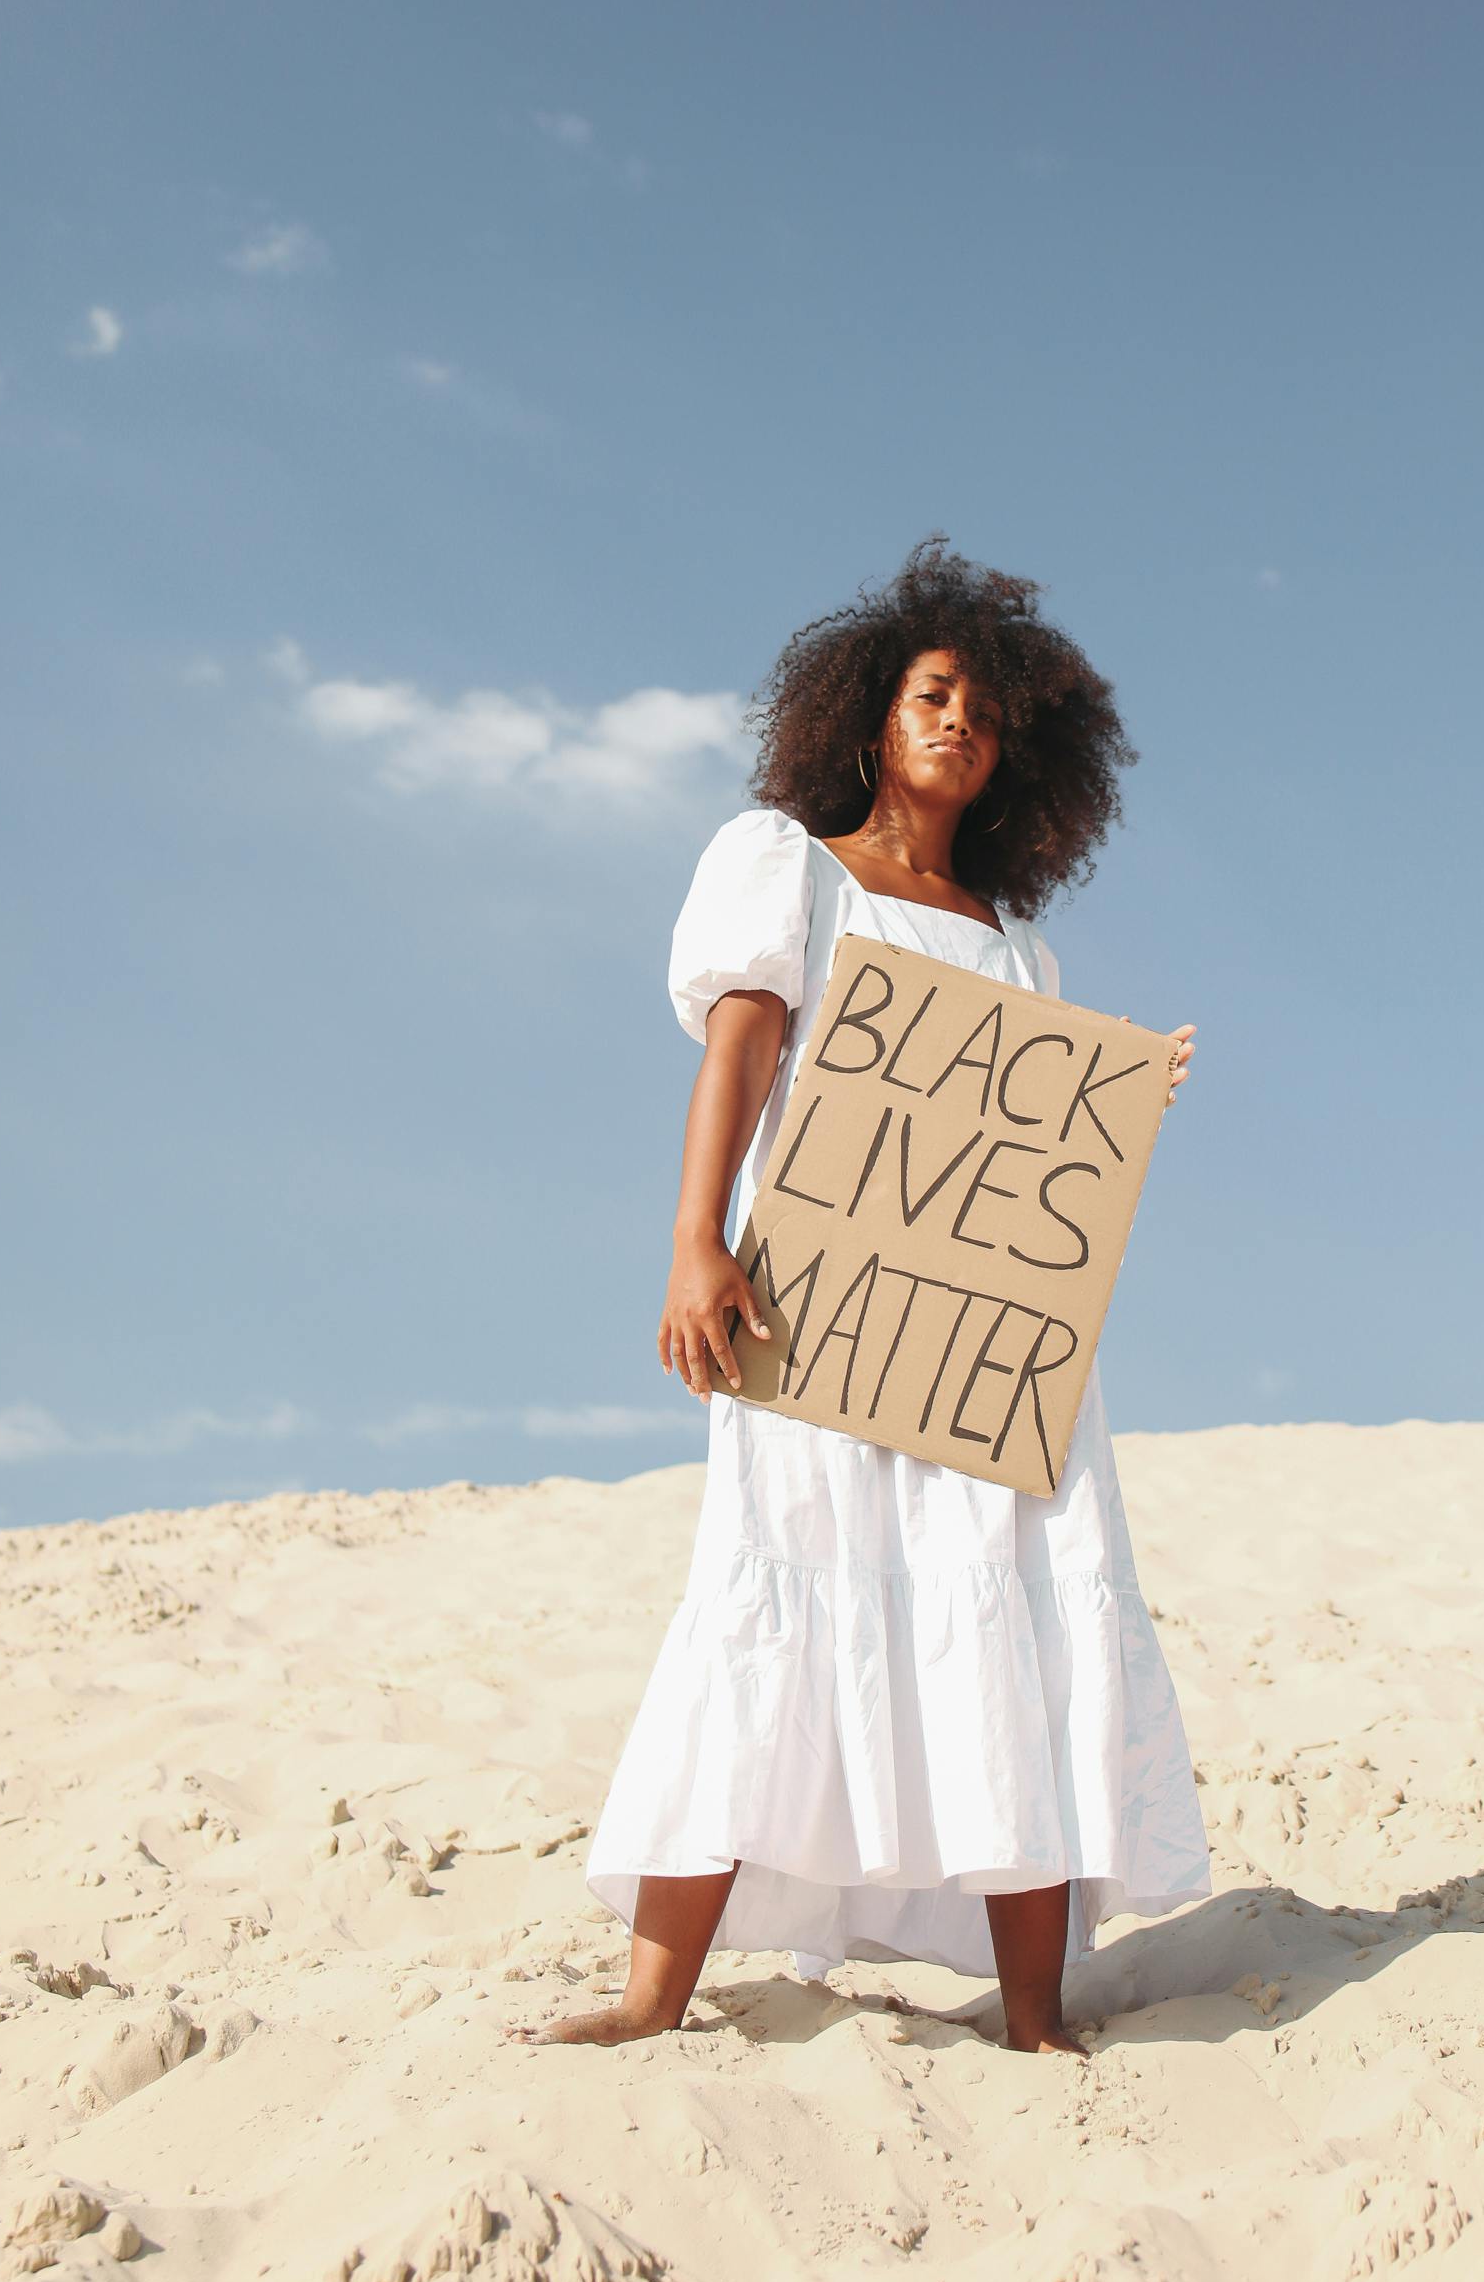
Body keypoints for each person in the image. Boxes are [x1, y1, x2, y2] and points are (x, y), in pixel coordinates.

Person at [511, 537, 1210, 2057]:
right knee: (771, 1595)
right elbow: (743, 1056)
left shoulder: (1020, 947)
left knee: (1017, 1623)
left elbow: (1022, 1178)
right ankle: (652, 1997)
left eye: (984, 709)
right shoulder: (789, 871)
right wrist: (697, 1243)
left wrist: (1117, 1094)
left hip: (987, 1362)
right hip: (816, 1316)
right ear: (868, 719)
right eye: (932, 694)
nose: (959, 722)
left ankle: (1034, 2016)